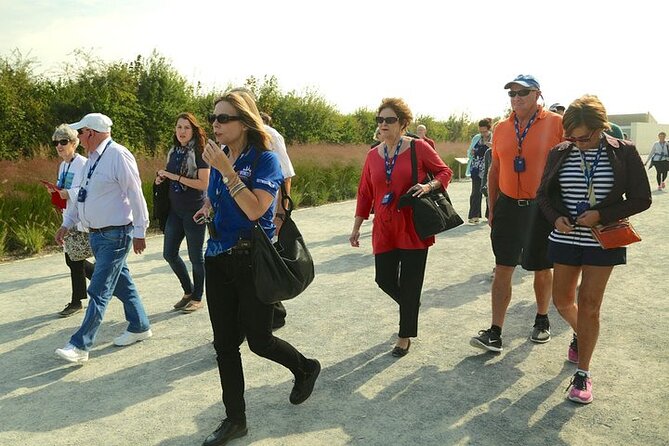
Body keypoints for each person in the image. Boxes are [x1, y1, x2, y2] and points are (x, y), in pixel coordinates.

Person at [194, 92, 320, 446]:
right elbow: (219, 197)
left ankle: (305, 367)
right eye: (214, 117)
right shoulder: (225, 157)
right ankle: (236, 420)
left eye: (223, 119)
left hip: (252, 260)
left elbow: (254, 210)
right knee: (224, 346)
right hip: (217, 257)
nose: (215, 125)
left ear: (244, 122)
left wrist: (226, 171)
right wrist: (207, 206)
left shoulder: (265, 160)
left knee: (260, 341)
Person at [536, 95, 651, 404]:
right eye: (572, 137)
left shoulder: (623, 152)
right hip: (565, 238)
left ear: (602, 127)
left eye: (584, 137)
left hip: (604, 239)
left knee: (589, 305)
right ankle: (583, 333)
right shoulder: (560, 152)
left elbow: (642, 198)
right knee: (562, 301)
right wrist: (555, 218)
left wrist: (602, 214)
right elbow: (542, 195)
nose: (578, 143)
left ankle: (583, 374)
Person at [350, 98, 453, 357]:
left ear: (403, 123)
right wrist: (357, 225)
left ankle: (404, 335)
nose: (383, 124)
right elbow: (365, 192)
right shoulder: (373, 155)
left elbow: (445, 172)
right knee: (383, 279)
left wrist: (427, 186)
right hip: (384, 225)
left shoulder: (418, 148)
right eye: (380, 120)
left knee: (410, 281)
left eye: (389, 120)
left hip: (412, 223)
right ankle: (410, 305)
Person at [470, 74, 563, 352]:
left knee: (541, 267)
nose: (516, 98)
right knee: (503, 266)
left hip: (541, 207)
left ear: (537, 94)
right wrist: (493, 207)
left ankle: (542, 320)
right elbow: (495, 169)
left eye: (522, 92)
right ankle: (495, 331)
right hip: (509, 205)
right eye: (511, 94)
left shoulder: (557, 124)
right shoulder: (501, 128)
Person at [54, 113, 152, 363]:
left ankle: (80, 345)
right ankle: (140, 326)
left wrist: (141, 230)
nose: (78, 137)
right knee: (122, 284)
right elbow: (81, 195)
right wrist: (66, 224)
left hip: (116, 234)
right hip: (97, 235)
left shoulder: (118, 155)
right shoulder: (91, 161)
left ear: (92, 134)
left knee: (98, 289)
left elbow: (135, 192)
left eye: (81, 133)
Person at [155, 113, 210, 313]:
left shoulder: (200, 152)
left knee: (196, 257)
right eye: (179, 127)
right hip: (175, 210)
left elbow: (204, 183)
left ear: (194, 130)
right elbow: (171, 176)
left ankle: (197, 297)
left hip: (195, 210)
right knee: (169, 254)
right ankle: (188, 291)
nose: (182, 132)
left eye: (186, 127)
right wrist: (162, 179)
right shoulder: (173, 151)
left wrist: (174, 177)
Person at [45, 124, 94, 317]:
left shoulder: (82, 163)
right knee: (74, 259)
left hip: (81, 218)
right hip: (69, 216)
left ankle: (77, 301)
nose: (59, 146)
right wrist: (55, 191)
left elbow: (83, 190)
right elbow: (63, 188)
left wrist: (66, 193)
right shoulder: (63, 165)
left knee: (73, 259)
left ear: (74, 143)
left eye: (63, 142)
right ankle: (105, 279)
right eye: (56, 142)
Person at [466, 118, 493, 223]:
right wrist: (471, 152)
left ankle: (489, 214)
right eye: (480, 131)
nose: (483, 134)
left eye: (485, 131)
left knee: (489, 192)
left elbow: (499, 151)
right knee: (475, 192)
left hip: (489, 169)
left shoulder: (494, 137)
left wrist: (492, 146)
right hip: (476, 169)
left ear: (489, 129)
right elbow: (469, 151)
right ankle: (474, 215)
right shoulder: (476, 138)